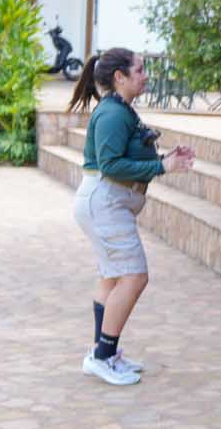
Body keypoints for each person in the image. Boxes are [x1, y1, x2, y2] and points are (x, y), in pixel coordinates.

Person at [68, 48, 196, 385]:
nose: (145, 76)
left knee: (112, 279)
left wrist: (166, 158)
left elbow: (128, 154)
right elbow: (110, 165)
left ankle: (103, 353)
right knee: (134, 277)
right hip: (105, 203)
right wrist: (162, 166)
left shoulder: (120, 109)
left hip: (108, 202)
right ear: (119, 77)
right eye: (139, 70)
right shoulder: (112, 114)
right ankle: (103, 357)